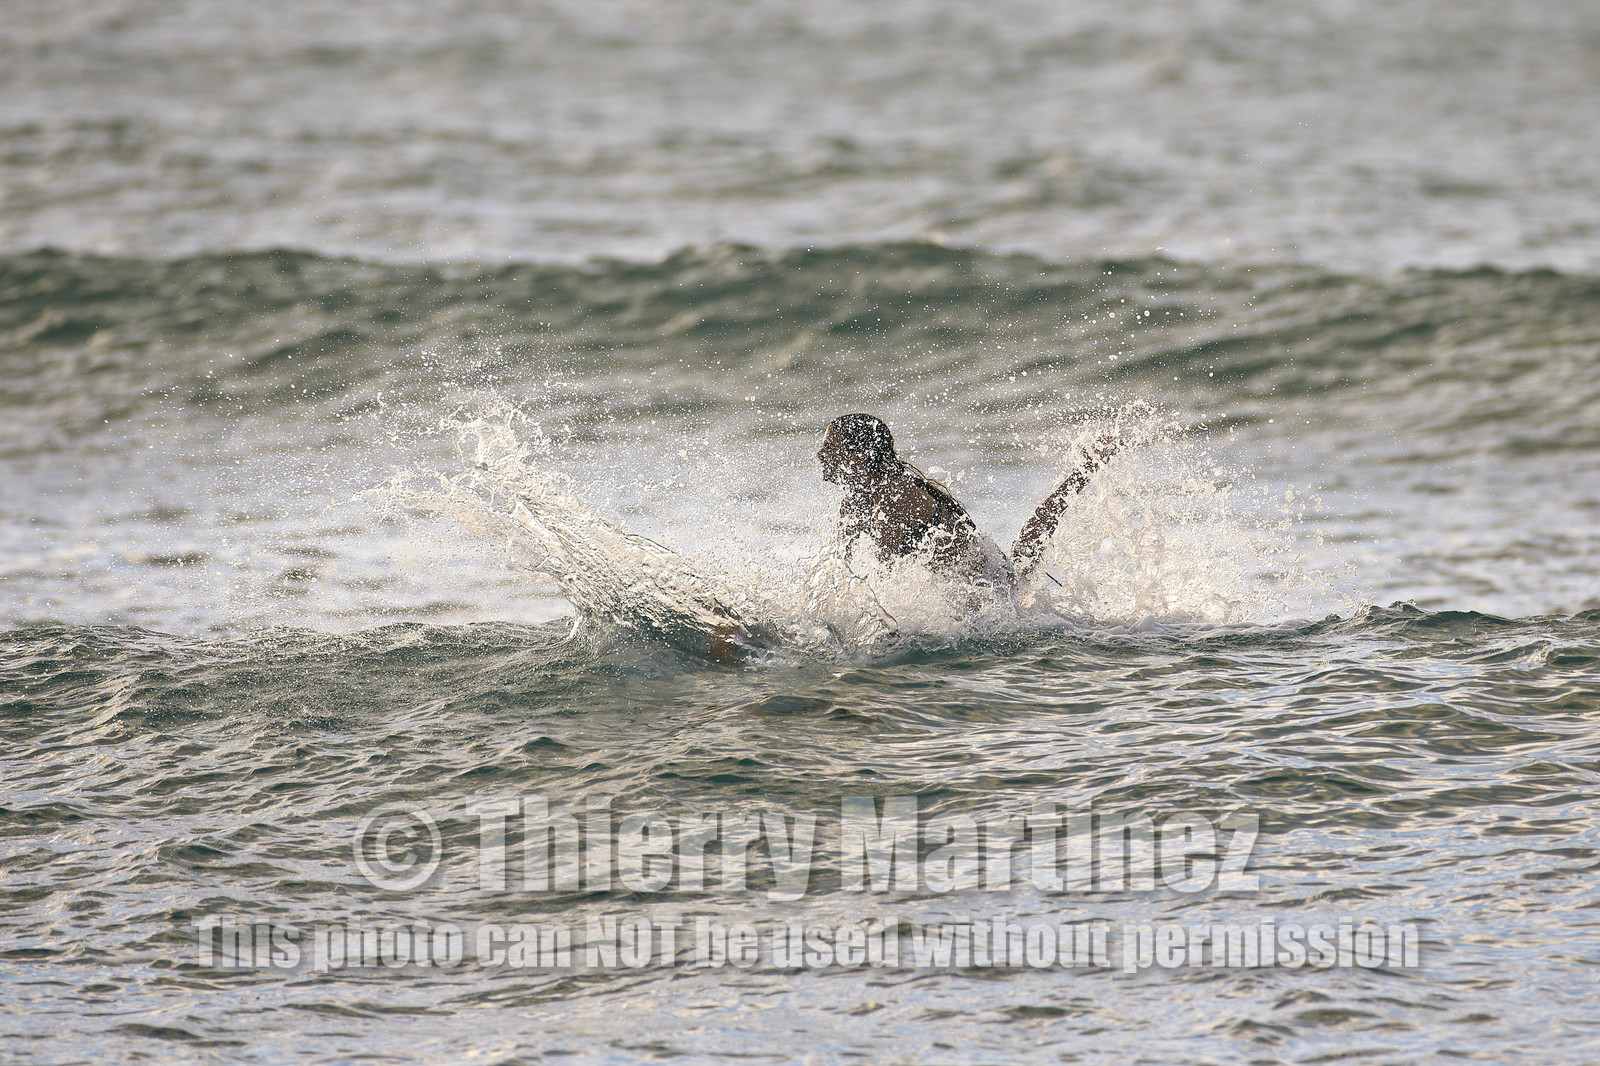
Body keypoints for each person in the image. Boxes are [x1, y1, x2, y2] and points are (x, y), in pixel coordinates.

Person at [816, 413, 1118, 593]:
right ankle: (1086, 468)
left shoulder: (897, 495)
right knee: (1027, 546)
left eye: (829, 447)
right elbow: (840, 574)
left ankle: (1086, 469)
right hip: (975, 583)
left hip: (995, 587)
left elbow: (885, 582)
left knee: (1027, 551)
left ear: (859, 455)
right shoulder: (856, 502)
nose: (820, 455)